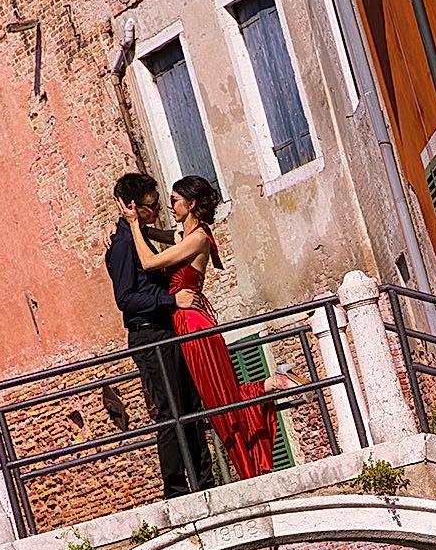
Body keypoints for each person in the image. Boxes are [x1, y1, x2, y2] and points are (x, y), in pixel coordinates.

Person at [120, 175, 298, 480]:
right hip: (184, 323)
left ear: (190, 204)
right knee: (212, 398)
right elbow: (157, 234)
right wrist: (125, 226)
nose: (169, 206)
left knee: (219, 398)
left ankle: (272, 384)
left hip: (192, 324)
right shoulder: (182, 236)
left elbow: (149, 262)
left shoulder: (199, 238)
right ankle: (269, 390)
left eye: (174, 200)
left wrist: (133, 225)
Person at [105, 172, 215, 498]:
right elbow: (125, 299)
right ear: (131, 206)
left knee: (191, 407)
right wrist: (172, 300)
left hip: (166, 331)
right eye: (151, 207)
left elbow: (172, 240)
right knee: (170, 411)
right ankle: (177, 490)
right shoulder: (124, 244)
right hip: (148, 335)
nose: (157, 212)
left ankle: (205, 482)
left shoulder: (138, 235)